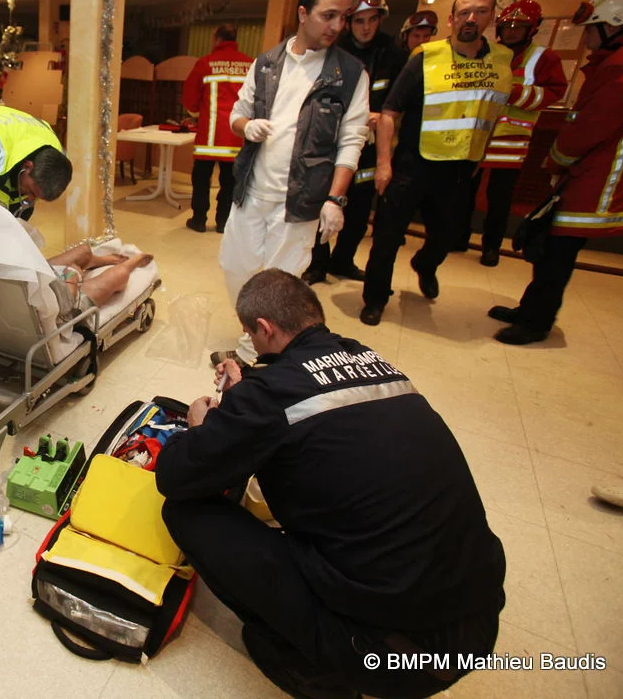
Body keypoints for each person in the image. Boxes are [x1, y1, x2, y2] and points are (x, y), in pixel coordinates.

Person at [158, 269, 506, 699]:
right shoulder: (372, 360)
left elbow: (177, 476)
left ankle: (307, 667)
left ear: (263, 328)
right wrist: (251, 387)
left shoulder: (266, 397)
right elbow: (311, 393)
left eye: (250, 332)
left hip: (394, 657)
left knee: (187, 511)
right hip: (479, 622)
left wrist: (200, 426)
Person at [218, 0, 369, 370]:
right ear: (303, 13)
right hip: (252, 190)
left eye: (344, 17)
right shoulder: (266, 63)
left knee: (282, 283)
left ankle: (262, 353)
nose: (337, 26)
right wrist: (245, 127)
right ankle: (252, 333)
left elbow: (352, 140)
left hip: (302, 199)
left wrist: (335, 199)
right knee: (236, 267)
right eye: (328, 15)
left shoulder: (351, 74)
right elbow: (237, 113)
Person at [360, 0, 514, 326]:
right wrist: (384, 164)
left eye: (481, 11)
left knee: (448, 234)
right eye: (464, 12)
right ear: (452, 19)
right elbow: (389, 111)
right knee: (386, 236)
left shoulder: (500, 62)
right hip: (414, 163)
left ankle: (425, 264)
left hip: (460, 168)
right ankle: (375, 298)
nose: (471, 19)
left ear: (492, 17)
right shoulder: (426, 59)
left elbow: (492, 114)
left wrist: (480, 157)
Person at [490, 0, 623, 345]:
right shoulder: (618, 62)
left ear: (613, 26)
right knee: (554, 250)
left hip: (595, 180)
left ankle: (535, 322)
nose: (585, 38)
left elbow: (590, 126)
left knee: (557, 254)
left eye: (590, 28)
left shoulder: (622, 66)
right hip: (587, 175)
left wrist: (557, 158)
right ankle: (530, 310)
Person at [304, 0, 405, 284]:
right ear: (350, 22)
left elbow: (404, 100)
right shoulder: (334, 52)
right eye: (359, 20)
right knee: (324, 204)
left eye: (372, 20)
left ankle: (343, 261)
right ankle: (317, 265)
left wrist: (385, 115)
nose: (366, 27)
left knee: (359, 210)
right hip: (334, 143)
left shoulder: (394, 54)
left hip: (373, 146)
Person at [459, 0, 568, 266]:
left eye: (518, 27)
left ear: (532, 28)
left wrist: (514, 93)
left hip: (511, 139)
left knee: (500, 198)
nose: (511, 32)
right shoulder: (487, 51)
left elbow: (554, 92)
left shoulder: (543, 58)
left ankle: (491, 247)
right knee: (463, 190)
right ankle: (457, 237)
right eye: (507, 26)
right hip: (476, 135)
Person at [181, 24, 254, 233]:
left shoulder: (205, 63)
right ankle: (223, 222)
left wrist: (197, 113)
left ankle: (198, 220)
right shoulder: (250, 65)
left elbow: (190, 99)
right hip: (236, 137)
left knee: (201, 181)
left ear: (217, 39)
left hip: (208, 139)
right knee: (230, 183)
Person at [45, 245, 154, 322]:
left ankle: (97, 261)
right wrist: (72, 277)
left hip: (47, 277)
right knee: (119, 274)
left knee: (84, 251)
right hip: (62, 303)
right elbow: (65, 306)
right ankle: (131, 264)